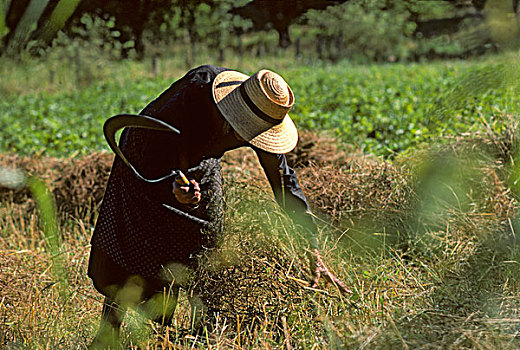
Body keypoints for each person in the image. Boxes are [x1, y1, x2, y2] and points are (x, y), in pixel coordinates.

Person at [88, 65, 333, 348]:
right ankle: (116, 334)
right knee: (141, 241)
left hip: (200, 157)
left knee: (209, 236)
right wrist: (173, 186)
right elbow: (158, 153)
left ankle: (200, 331)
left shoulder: (263, 113)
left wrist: (310, 241)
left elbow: (283, 183)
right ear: (231, 120)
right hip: (149, 154)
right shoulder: (189, 99)